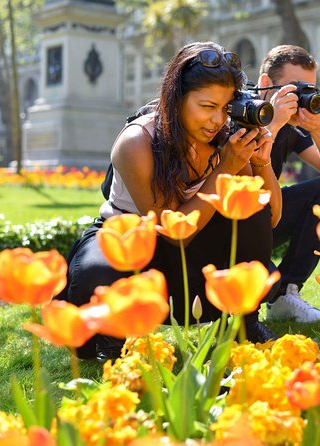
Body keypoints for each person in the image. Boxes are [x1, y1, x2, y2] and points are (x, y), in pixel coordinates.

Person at [57, 42, 281, 360]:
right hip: (129, 239)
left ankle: (245, 322)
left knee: (250, 210)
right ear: (176, 100)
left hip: (185, 256)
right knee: (94, 290)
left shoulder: (226, 139)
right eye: (207, 106)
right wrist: (224, 169)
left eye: (225, 107)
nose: (218, 120)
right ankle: (113, 338)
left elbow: (268, 217)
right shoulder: (138, 142)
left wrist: (261, 163)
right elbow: (175, 232)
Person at [256, 44, 320, 323]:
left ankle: (287, 293)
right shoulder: (243, 112)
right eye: (293, 88)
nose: (301, 97)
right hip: (231, 228)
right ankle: (272, 290)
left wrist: (318, 127)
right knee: (266, 282)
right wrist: (271, 125)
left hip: (267, 218)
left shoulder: (291, 125)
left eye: (308, 89)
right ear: (266, 84)